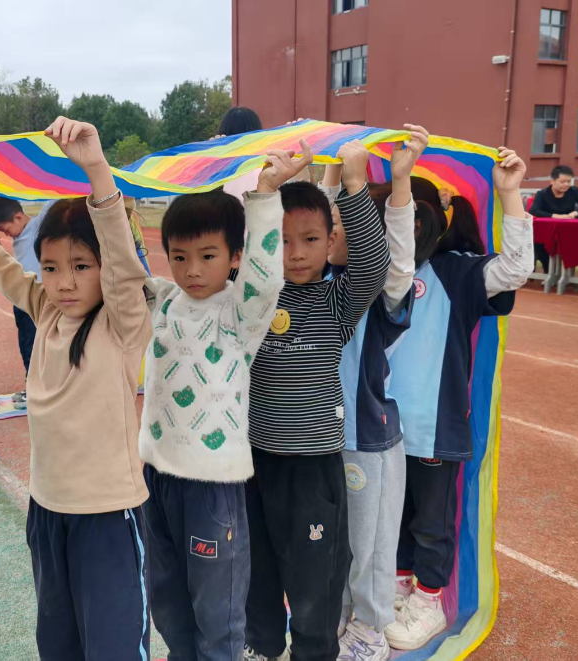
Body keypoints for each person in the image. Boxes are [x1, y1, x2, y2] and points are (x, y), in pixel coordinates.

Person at [0, 116, 153, 659]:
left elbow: (125, 266)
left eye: (81, 266)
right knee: (58, 643)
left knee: (111, 647)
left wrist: (96, 171)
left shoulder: (122, 321)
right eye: (52, 267)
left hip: (109, 517)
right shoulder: (45, 311)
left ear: (104, 268)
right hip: (48, 512)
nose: (64, 281)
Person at [141, 142, 308, 659]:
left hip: (214, 487)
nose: (192, 269)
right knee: (166, 601)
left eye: (208, 256)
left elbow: (266, 273)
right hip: (155, 479)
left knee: (218, 614)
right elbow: (123, 268)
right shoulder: (163, 302)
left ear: (234, 256)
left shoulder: (241, 314)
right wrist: (109, 195)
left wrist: (264, 195)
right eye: (180, 257)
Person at [245, 140, 391, 661]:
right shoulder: (253, 295)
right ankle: (259, 648)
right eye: (281, 241)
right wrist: (266, 190)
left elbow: (375, 267)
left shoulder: (337, 301)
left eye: (310, 239)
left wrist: (354, 185)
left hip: (313, 471)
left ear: (331, 243)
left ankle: (312, 652)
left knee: (315, 586)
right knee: (255, 573)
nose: (296, 252)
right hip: (253, 463)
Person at [384, 148, 533, 651]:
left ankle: (428, 600)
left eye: (406, 218)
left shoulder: (457, 273)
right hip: (380, 427)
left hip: (433, 424)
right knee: (394, 518)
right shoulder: (374, 277)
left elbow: (514, 270)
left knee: (430, 521)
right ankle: (401, 589)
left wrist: (509, 192)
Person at [322, 126, 429, 661]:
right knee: (341, 543)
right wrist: (324, 173)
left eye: (343, 222)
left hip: (369, 436)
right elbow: (313, 224)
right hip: (329, 437)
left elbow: (399, 261)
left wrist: (399, 181)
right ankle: (345, 620)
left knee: (371, 546)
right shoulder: (318, 286)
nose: (333, 231)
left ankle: (371, 627)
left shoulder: (380, 293)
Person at [0, 195, 53, 407]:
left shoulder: (39, 226)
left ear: (18, 216)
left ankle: (39, 390)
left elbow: (56, 201)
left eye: (6, 230)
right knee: (25, 344)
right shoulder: (19, 234)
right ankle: (31, 385)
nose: (6, 235)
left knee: (37, 345)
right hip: (21, 301)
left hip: (39, 299)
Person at [528, 165, 578, 272]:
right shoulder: (542, 194)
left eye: (569, 181)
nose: (566, 185)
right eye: (562, 182)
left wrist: (576, 213)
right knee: (539, 245)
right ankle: (548, 272)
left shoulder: (574, 191)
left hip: (569, 231)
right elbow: (534, 210)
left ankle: (568, 275)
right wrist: (556, 216)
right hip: (548, 231)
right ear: (552, 181)